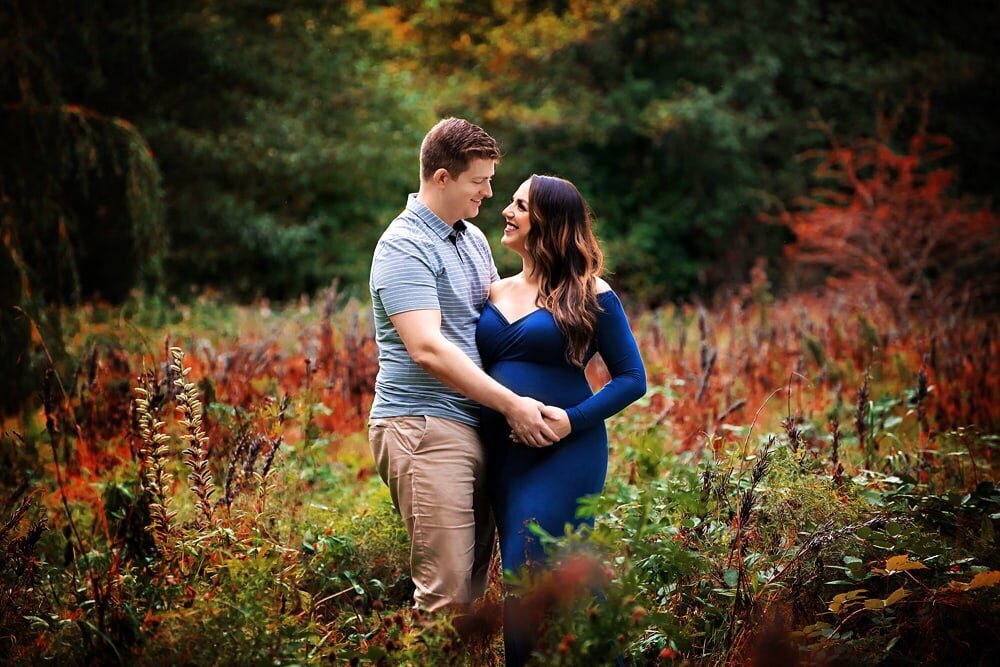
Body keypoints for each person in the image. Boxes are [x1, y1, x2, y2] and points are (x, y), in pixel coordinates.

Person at [368, 118, 564, 613]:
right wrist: (513, 404)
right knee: (447, 595)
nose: (489, 193)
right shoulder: (403, 246)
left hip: (476, 424)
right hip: (424, 426)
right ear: (442, 178)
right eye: (479, 181)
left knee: (473, 592)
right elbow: (427, 349)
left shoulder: (472, 239)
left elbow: (502, 322)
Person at [476, 174, 647, 665]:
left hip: (565, 452)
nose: (505, 211)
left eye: (520, 206)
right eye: (509, 201)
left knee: (534, 563)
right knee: (527, 577)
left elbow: (631, 378)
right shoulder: (491, 291)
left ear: (548, 222)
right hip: (504, 457)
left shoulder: (592, 292)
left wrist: (571, 421)